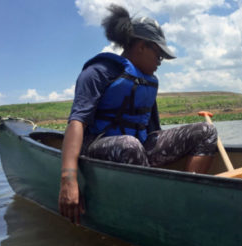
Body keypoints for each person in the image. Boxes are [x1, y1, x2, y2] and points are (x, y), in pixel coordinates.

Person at [58, 4, 218, 224]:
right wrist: (68, 178)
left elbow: (153, 131)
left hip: (136, 147)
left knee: (205, 131)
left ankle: (187, 199)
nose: (160, 61)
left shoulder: (148, 80)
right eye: (158, 54)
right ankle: (153, 214)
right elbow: (77, 122)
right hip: (96, 146)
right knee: (129, 145)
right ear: (141, 47)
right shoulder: (98, 72)